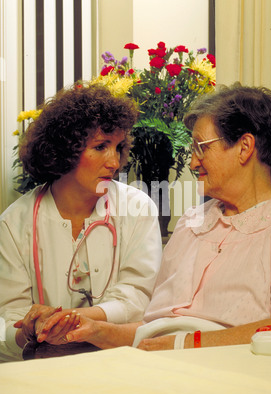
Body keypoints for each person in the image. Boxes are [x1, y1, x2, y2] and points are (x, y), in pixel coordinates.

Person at [25, 83, 271, 352]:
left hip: (227, 370)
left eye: (201, 147)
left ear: (244, 147)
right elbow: (152, 331)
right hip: (155, 361)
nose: (193, 162)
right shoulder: (191, 222)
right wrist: (93, 329)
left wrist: (183, 344)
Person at [0, 83, 162, 362]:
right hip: (42, 368)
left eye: (118, 147)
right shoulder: (14, 223)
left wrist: (67, 319)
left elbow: (137, 299)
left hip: (119, 360)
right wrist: (31, 329)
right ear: (65, 149)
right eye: (100, 147)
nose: (114, 162)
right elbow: (9, 319)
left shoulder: (137, 208)